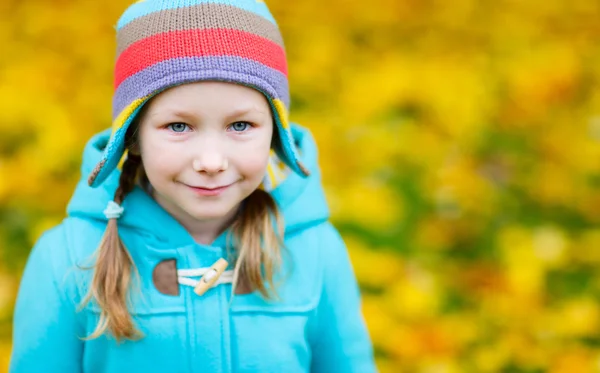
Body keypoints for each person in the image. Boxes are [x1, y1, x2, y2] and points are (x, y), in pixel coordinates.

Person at [9, 0, 376, 372]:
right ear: (132, 137)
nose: (212, 162)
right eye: (179, 127)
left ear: (275, 135)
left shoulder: (314, 251)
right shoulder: (68, 258)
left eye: (241, 126)